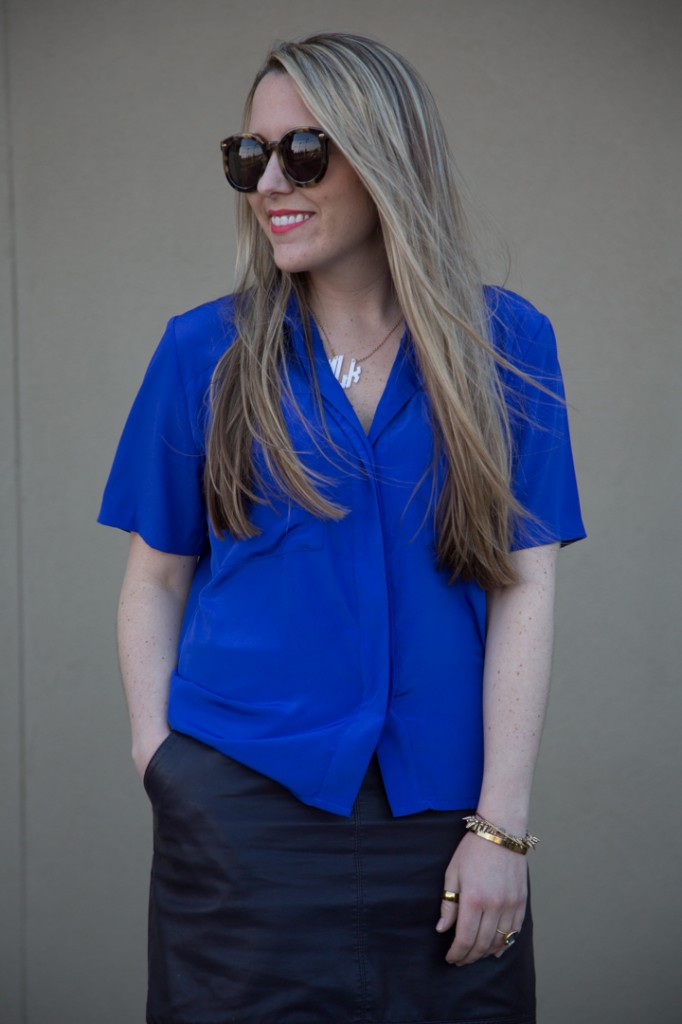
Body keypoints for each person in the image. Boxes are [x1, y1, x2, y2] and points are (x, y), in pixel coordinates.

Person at [99, 31, 585, 1024]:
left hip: (446, 834)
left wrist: (500, 830)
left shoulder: (505, 346)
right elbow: (154, 579)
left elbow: (523, 582)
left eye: (302, 153)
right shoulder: (205, 352)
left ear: (384, 158)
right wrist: (164, 762)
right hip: (242, 821)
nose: (269, 181)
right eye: (249, 156)